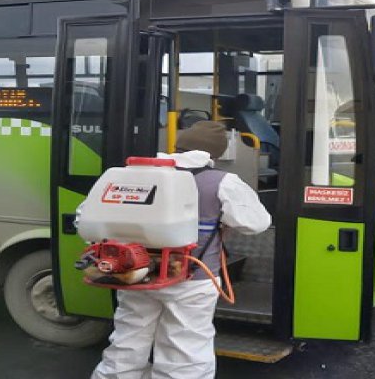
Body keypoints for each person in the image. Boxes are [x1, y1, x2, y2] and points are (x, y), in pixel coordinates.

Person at [92, 121, 271, 379]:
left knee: (128, 339)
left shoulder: (133, 173)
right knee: (184, 349)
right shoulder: (223, 182)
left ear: (178, 144)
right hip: (192, 279)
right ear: (216, 153)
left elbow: (89, 217)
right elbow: (257, 223)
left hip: (137, 272)